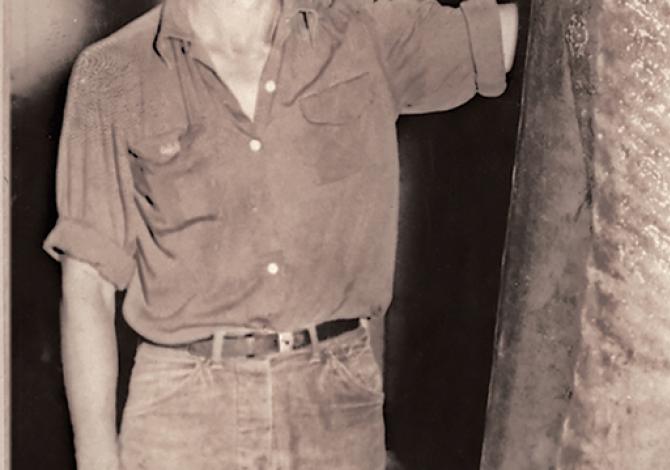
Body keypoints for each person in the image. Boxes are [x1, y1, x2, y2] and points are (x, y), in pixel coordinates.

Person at [44, 0, 518, 468]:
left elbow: (523, 33)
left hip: (336, 403)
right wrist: (96, 457)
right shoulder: (112, 72)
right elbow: (88, 285)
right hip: (183, 412)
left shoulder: (362, 31)